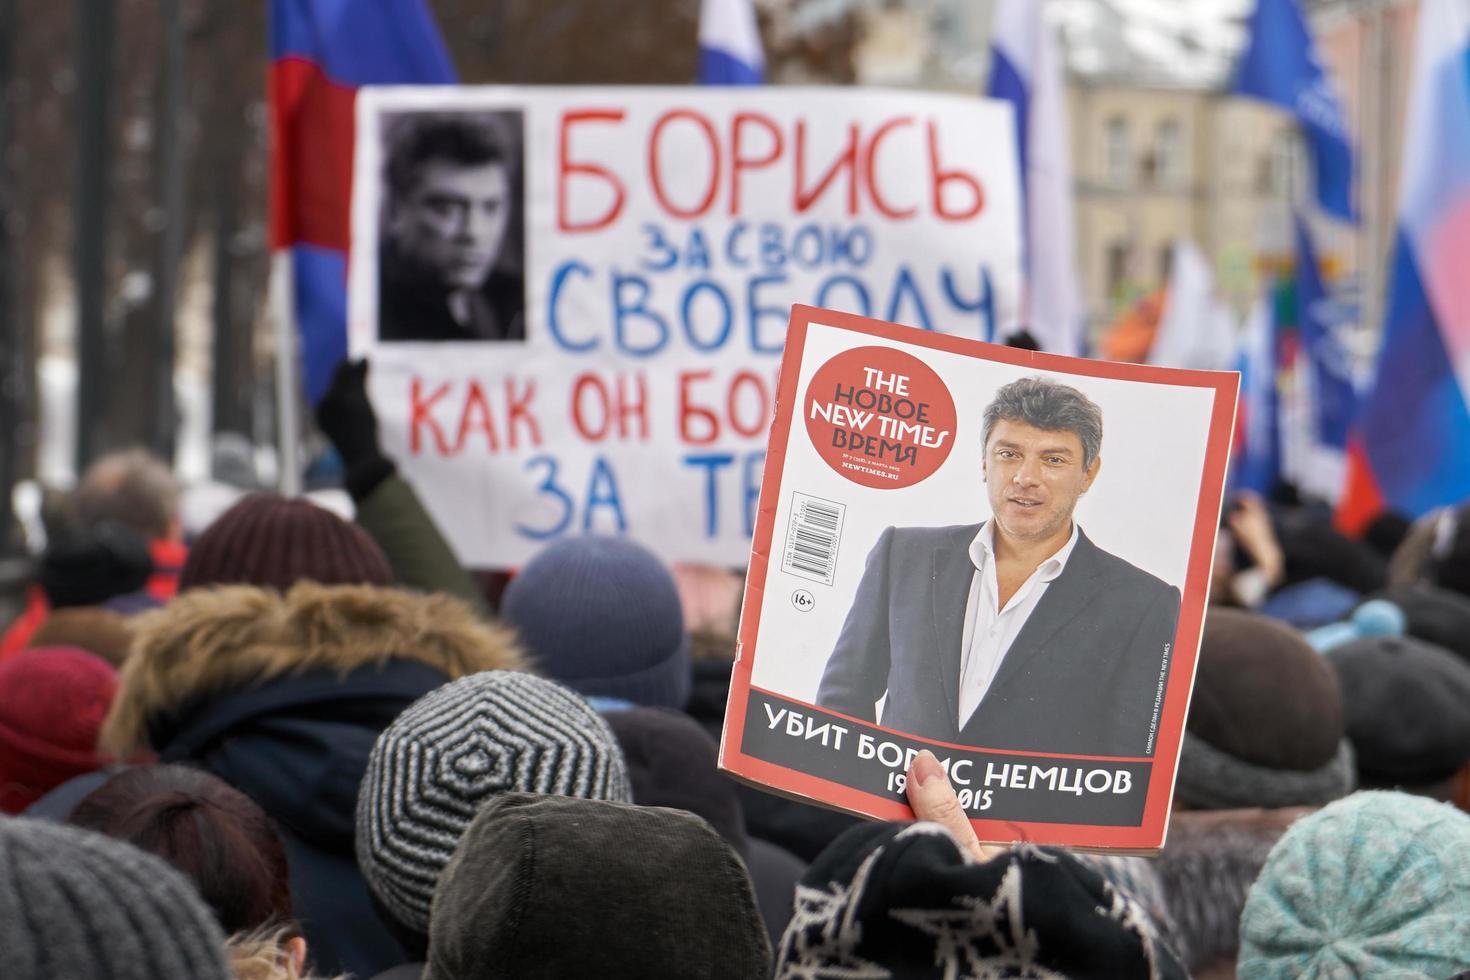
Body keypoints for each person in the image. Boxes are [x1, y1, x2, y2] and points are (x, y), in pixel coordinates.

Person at [817, 376, 1181, 756]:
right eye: (1008, 454)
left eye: (1053, 460)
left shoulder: (1144, 603)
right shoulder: (903, 555)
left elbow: (1130, 762)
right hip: (895, 813)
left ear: (1089, 473)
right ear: (984, 463)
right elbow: (842, 700)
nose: (1026, 478)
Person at [378, 113, 523, 343]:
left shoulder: (513, 299)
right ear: (396, 210)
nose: (474, 233)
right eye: (447, 209)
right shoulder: (370, 304)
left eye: (491, 207)